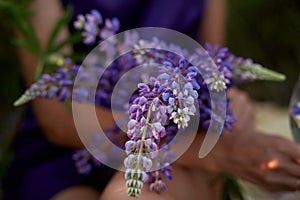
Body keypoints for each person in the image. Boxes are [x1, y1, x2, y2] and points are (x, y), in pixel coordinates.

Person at [3, 0, 300, 199]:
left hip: (175, 141)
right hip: (70, 148)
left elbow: (211, 72)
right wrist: (224, 152)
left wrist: (228, 107)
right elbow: (60, 116)